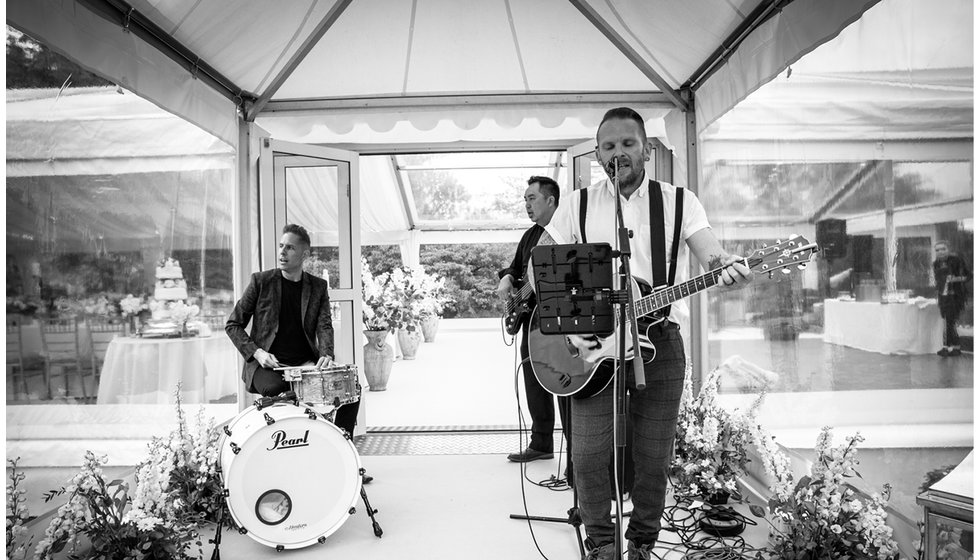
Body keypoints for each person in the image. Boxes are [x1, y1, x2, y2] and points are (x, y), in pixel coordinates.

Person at [536, 107, 752, 560]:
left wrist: (725, 267)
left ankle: (642, 543)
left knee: (654, 457)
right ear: (597, 154)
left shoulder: (679, 202)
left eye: (628, 144)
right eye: (609, 146)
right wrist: (588, 303)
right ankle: (600, 542)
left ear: (647, 150)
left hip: (661, 343)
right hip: (592, 347)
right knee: (590, 454)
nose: (619, 153)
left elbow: (711, 253)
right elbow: (543, 268)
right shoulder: (576, 204)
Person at [225, 224, 363, 468]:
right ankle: (288, 464)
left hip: (305, 366)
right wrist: (257, 352)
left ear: (304, 255)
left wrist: (327, 355)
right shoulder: (261, 282)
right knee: (279, 391)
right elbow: (233, 324)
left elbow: (324, 326)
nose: (282, 252)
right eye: (281, 246)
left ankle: (343, 459)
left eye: (289, 247)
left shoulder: (317, 287)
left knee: (351, 390)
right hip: (266, 368)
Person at [496, 176, 569, 463]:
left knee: (563, 377)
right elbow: (515, 269)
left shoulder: (566, 231)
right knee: (532, 377)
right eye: (525, 199)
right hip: (531, 317)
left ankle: (575, 449)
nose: (527, 204)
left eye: (532, 198)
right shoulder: (530, 234)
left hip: (558, 318)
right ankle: (541, 443)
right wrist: (507, 278)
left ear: (550, 200)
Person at [932, 240, 971, 357]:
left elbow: (969, 275)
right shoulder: (936, 264)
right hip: (943, 297)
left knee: (950, 321)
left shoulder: (956, 260)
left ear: (948, 249)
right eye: (937, 250)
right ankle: (954, 347)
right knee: (948, 321)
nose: (940, 252)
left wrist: (956, 279)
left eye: (943, 249)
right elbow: (938, 281)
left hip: (955, 296)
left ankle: (948, 347)